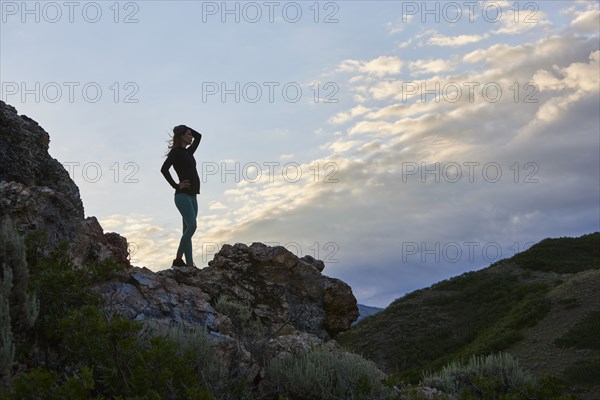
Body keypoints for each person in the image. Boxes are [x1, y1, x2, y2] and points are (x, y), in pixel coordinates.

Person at [161, 125, 202, 268]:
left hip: (193, 196)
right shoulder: (176, 152)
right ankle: (178, 259)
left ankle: (190, 265)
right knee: (192, 226)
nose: (191, 136)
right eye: (188, 134)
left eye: (191, 134)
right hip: (182, 196)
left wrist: (185, 128)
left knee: (187, 231)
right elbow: (164, 169)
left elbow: (199, 136)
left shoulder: (189, 152)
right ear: (182, 136)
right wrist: (176, 185)